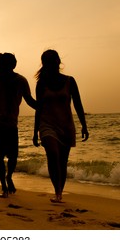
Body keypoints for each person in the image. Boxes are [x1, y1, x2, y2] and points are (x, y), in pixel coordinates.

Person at [33, 49, 89, 203]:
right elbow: (39, 108)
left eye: (53, 60)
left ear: (58, 61)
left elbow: (78, 104)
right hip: (47, 125)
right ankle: (56, 190)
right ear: (44, 63)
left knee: (62, 162)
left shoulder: (70, 81)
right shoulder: (41, 84)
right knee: (52, 153)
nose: (51, 63)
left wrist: (84, 126)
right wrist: (35, 131)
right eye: (47, 61)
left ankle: (59, 193)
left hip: (65, 126)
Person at [0, 53, 36, 198]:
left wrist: (45, 106)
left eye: (1, 64)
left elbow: (30, 101)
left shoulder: (21, 81)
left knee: (13, 157)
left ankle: (9, 176)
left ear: (11, 65)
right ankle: (4, 188)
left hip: (11, 124)